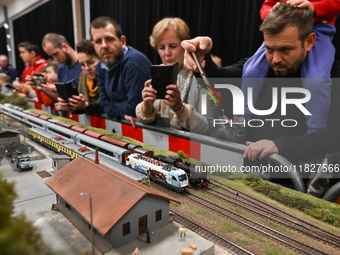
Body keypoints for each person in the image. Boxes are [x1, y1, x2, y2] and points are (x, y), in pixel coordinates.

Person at [182, 4, 340, 181]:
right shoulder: (258, 68)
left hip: (299, 187)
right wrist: (201, 60)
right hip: (250, 181)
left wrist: (281, 146)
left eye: (285, 49)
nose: (275, 59)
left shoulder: (330, 76)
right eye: (269, 49)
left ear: (310, 41)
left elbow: (335, 134)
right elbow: (221, 83)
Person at [241, 0, 340, 135]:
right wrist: (272, 14)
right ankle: (240, 123)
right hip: (284, 31)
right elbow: (267, 5)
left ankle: (314, 133)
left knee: (317, 81)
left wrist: (315, 7)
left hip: (319, 31)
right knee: (251, 70)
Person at [135, 17, 220, 135]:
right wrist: (146, 107)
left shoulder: (203, 75)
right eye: (161, 47)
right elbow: (146, 119)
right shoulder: (159, 71)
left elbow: (209, 127)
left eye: (173, 46)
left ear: (185, 46)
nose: (167, 53)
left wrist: (180, 108)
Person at [90, 16, 152, 127]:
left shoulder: (134, 63)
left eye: (109, 39)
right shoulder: (100, 66)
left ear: (122, 41)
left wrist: (114, 105)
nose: (104, 45)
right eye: (98, 41)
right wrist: (121, 114)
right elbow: (104, 103)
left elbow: (133, 111)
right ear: (94, 46)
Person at [57, 39, 104, 115]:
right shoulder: (83, 77)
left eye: (91, 62)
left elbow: (109, 108)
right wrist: (72, 105)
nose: (87, 68)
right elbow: (85, 109)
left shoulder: (110, 78)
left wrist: (85, 105)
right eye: (82, 64)